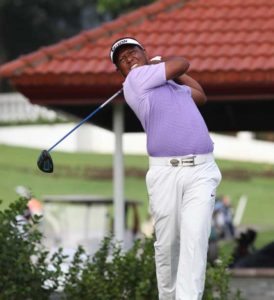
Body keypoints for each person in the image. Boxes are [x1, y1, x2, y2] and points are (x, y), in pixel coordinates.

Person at [109, 37, 222, 300]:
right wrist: (164, 64)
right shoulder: (136, 81)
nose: (128, 59)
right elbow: (182, 62)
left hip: (202, 171)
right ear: (121, 72)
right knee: (168, 244)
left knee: (195, 239)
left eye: (132, 53)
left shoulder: (170, 84)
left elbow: (200, 96)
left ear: (144, 53)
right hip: (165, 174)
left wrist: (176, 75)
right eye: (122, 60)